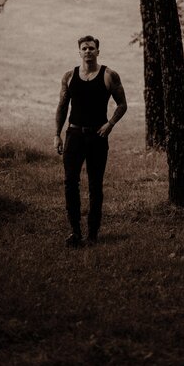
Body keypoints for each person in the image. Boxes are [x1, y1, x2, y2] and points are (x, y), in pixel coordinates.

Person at [54, 35, 127, 247]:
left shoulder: (109, 75)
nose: (88, 51)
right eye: (84, 48)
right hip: (74, 135)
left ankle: (93, 234)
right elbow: (62, 106)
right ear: (79, 52)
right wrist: (56, 134)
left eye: (91, 48)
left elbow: (122, 104)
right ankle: (75, 232)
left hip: (98, 136)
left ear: (97, 51)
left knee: (95, 185)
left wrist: (110, 123)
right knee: (70, 183)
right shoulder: (69, 76)